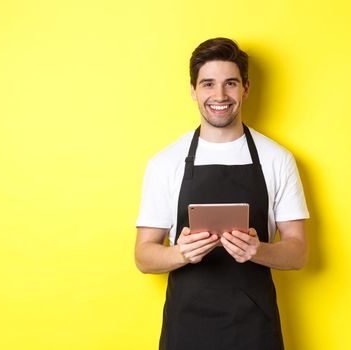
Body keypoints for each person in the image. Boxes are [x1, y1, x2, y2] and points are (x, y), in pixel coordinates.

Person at [135, 37, 309, 350]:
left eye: (230, 83)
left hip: (255, 330)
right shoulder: (165, 163)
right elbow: (143, 256)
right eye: (208, 84)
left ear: (246, 88)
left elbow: (298, 251)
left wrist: (258, 250)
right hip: (185, 330)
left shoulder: (277, 159)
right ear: (193, 91)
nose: (219, 95)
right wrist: (180, 253)